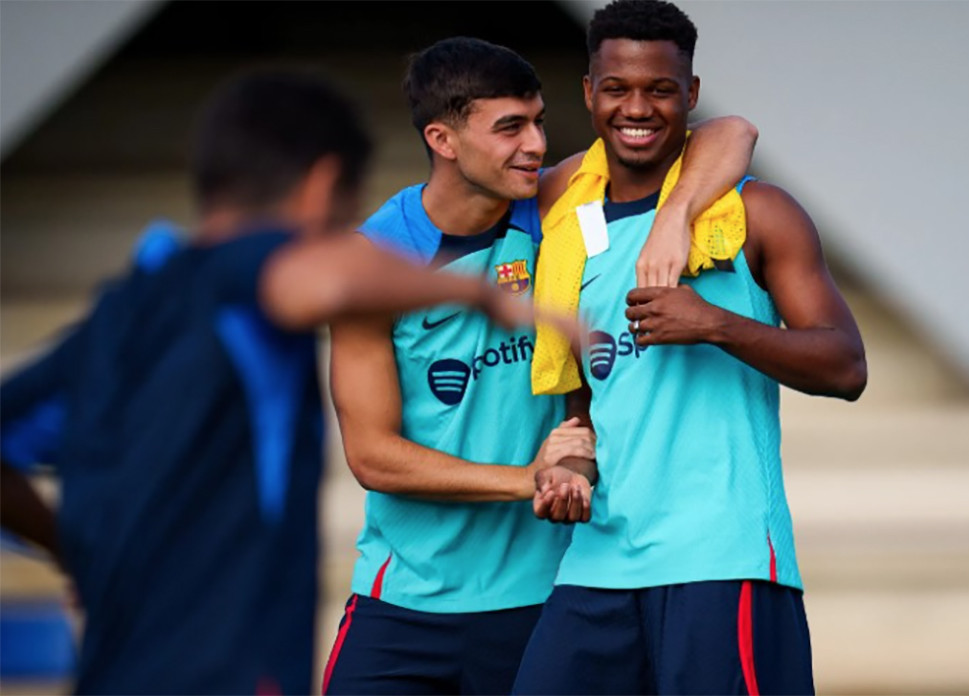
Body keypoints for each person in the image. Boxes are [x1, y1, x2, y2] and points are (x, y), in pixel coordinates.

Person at [0, 69, 547, 696]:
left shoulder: (121, 314)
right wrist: (481, 295)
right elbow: (316, 281)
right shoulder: (250, 276)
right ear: (321, 185)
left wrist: (71, 553)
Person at [321, 36, 758, 695]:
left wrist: (675, 216)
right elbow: (372, 456)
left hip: (543, 604)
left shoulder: (553, 206)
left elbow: (730, 131)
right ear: (443, 138)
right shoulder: (374, 264)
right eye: (509, 128)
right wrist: (529, 479)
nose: (534, 145)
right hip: (403, 606)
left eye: (538, 122)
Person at [515, 1, 868, 694]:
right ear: (589, 93)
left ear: (692, 95)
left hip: (720, 559)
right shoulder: (563, 214)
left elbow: (846, 365)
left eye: (661, 89)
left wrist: (714, 323)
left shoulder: (756, 212)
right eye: (617, 88)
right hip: (599, 558)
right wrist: (575, 455)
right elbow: (591, 389)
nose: (637, 107)